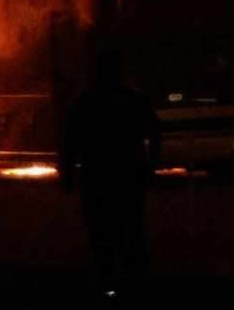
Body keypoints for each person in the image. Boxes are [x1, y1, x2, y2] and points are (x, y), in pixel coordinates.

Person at [60, 49, 160, 298]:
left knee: (102, 240)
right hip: (128, 179)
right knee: (131, 236)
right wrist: (151, 167)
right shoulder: (134, 100)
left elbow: (69, 142)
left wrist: (68, 175)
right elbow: (155, 134)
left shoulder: (86, 102)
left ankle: (109, 290)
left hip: (97, 180)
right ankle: (136, 289)